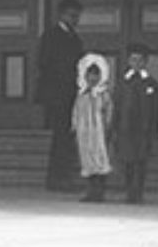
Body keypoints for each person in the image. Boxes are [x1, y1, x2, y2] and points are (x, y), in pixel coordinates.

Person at [35, 0, 84, 190]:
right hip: (57, 93)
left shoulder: (75, 38)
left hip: (71, 92)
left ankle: (63, 175)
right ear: (62, 15)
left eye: (77, 16)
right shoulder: (51, 36)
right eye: (72, 15)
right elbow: (44, 62)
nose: (75, 20)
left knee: (67, 136)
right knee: (60, 136)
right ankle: (56, 178)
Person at [111, 43, 158, 204]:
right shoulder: (123, 82)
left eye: (140, 60)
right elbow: (117, 105)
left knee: (140, 162)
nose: (136, 63)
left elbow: (156, 107)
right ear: (128, 61)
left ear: (145, 62)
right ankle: (129, 190)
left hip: (143, 129)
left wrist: (154, 128)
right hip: (125, 128)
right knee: (127, 161)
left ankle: (138, 191)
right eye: (133, 59)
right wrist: (115, 125)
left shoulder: (151, 84)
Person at [72, 52, 113, 203]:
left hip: (99, 132)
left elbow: (108, 110)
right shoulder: (81, 94)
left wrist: (107, 125)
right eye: (90, 75)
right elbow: (76, 111)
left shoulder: (103, 94)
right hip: (84, 132)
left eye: (96, 75)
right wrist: (75, 125)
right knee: (87, 159)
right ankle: (90, 190)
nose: (93, 78)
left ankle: (100, 190)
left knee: (100, 159)